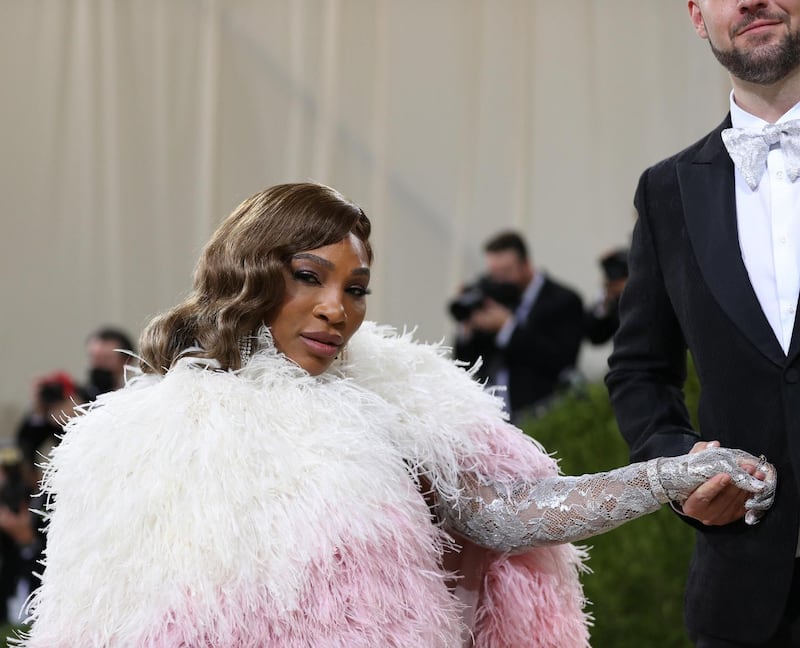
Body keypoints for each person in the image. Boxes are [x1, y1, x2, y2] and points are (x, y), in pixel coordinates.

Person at [18, 183, 776, 648]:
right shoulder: (137, 441)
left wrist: (665, 476)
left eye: (356, 289)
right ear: (249, 272)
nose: (336, 309)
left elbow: (500, 514)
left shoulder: (393, 395)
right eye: (310, 277)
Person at [606, 1, 800, 646]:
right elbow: (639, 370)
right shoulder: (667, 190)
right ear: (697, 15)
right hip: (742, 603)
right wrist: (678, 468)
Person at [451, 231, 584, 422]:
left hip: (539, 416)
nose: (499, 280)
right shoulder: (490, 296)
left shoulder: (563, 300)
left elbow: (561, 362)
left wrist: (507, 328)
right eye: (494, 273)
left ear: (526, 265)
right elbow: (465, 364)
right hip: (489, 415)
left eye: (506, 272)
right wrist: (468, 326)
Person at [583, 247, 628, 346]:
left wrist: (631, 293)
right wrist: (604, 304)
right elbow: (595, 337)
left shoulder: (645, 296)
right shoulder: (608, 299)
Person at [82, 326, 136, 401]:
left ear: (127, 362)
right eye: (95, 358)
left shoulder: (134, 399)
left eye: (106, 358)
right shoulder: (75, 399)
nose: (99, 364)